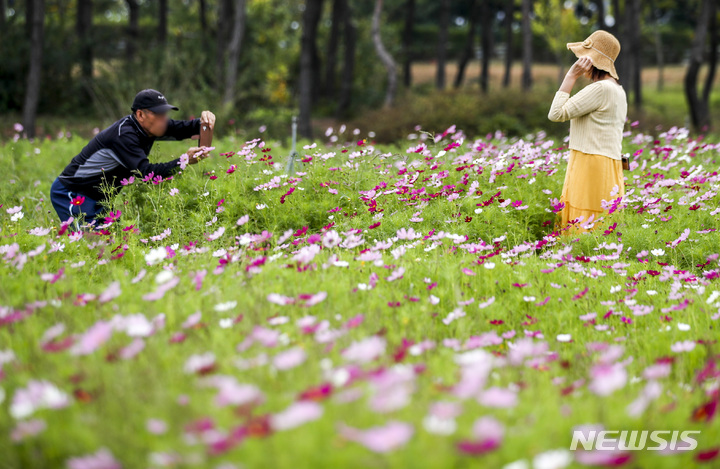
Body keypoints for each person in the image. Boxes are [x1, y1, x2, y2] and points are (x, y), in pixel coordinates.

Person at [50, 89, 216, 227]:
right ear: (140, 114)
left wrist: (204, 121)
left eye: (165, 113)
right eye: (158, 113)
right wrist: (183, 161)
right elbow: (146, 173)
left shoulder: (151, 126)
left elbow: (181, 128)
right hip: (73, 194)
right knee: (92, 248)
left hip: (101, 198)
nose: (164, 119)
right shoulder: (124, 135)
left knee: (114, 246)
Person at [548, 30, 628, 233]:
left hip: (590, 162)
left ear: (592, 60)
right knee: (602, 225)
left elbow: (556, 113)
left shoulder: (600, 89)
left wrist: (570, 76)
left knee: (582, 221)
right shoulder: (618, 89)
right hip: (608, 164)